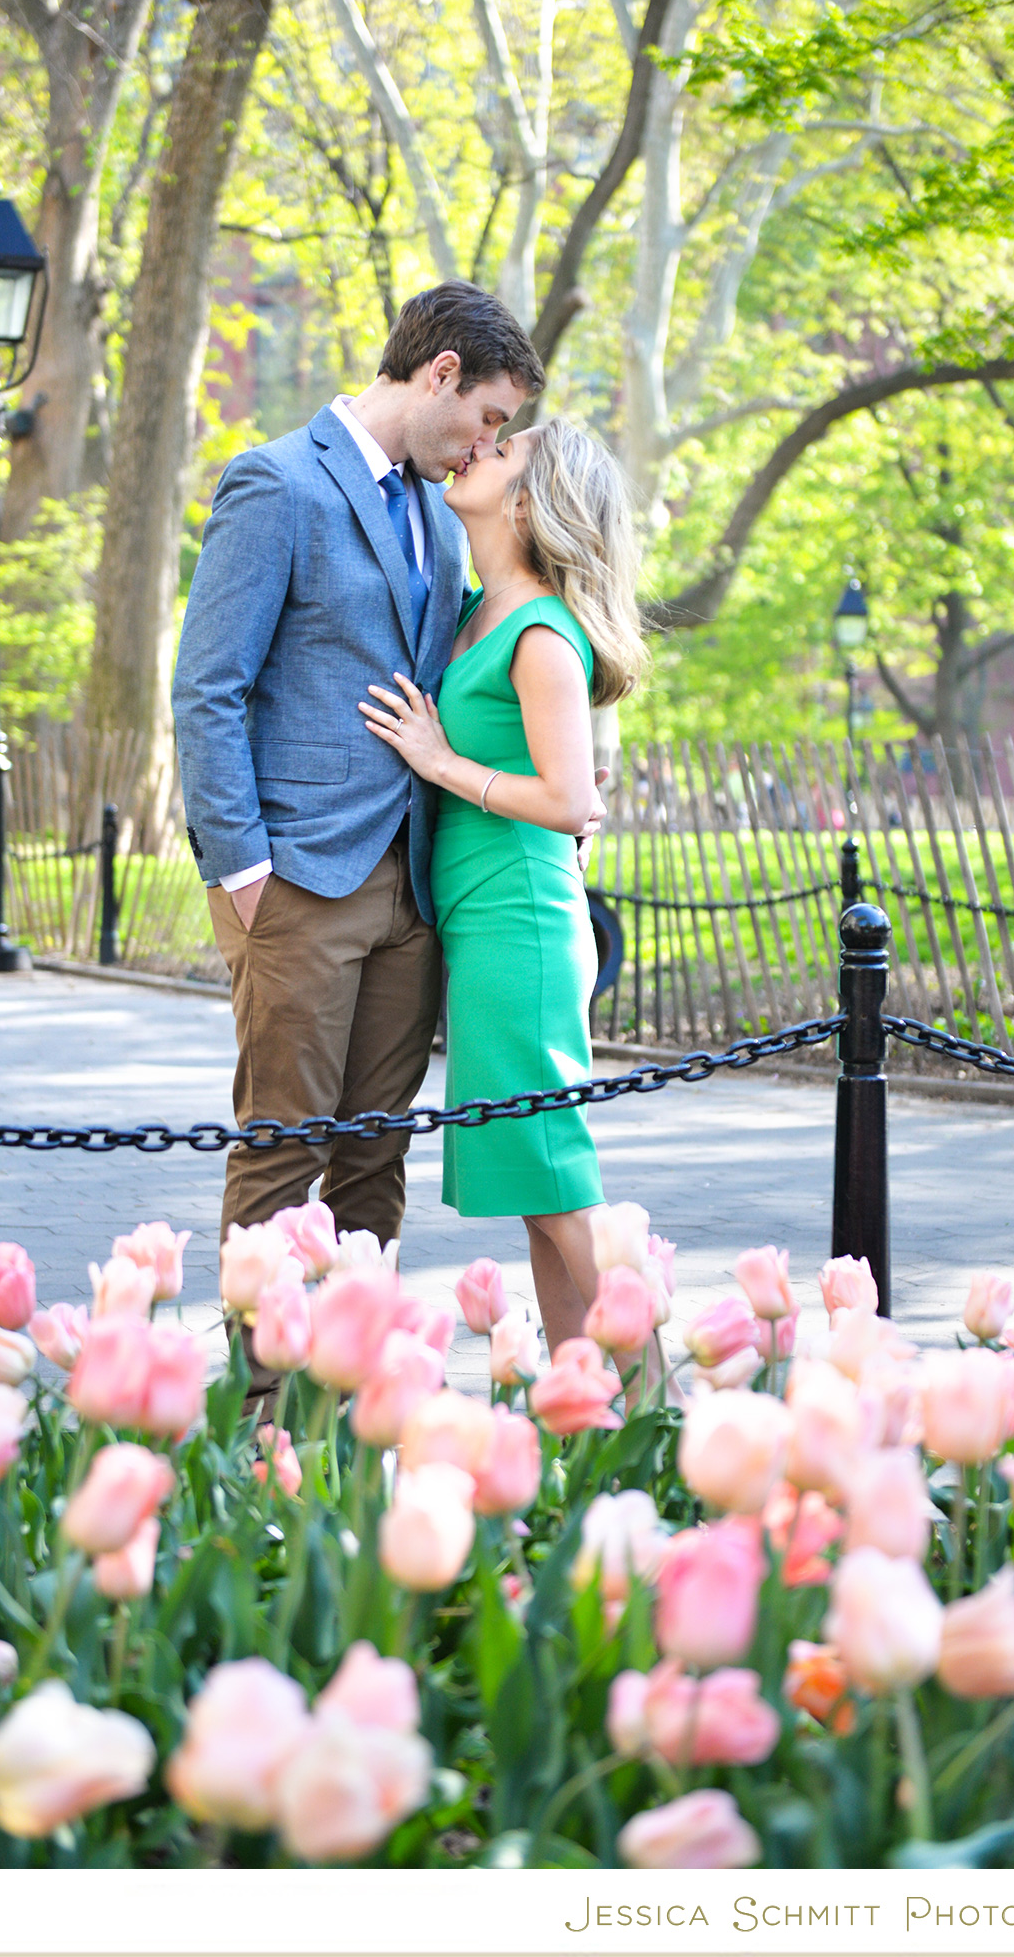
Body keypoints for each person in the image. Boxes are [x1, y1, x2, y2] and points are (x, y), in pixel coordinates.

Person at [172, 282, 554, 1415]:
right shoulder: (277, 482)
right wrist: (241, 866)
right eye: (487, 416)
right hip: (297, 879)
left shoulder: (444, 520)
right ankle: (255, 1423)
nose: (488, 444)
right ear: (439, 373)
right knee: (284, 1150)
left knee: (376, 1155)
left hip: (411, 885)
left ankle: (343, 1409)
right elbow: (210, 687)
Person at [357, 415, 670, 1398]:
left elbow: (571, 800)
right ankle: (585, 1416)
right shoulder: (478, 613)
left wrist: (442, 763)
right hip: (487, 925)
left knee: (560, 1181)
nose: (472, 453)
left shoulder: (538, 632)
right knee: (543, 1196)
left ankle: (661, 1402)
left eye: (498, 453)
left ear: (530, 502)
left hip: (522, 928)